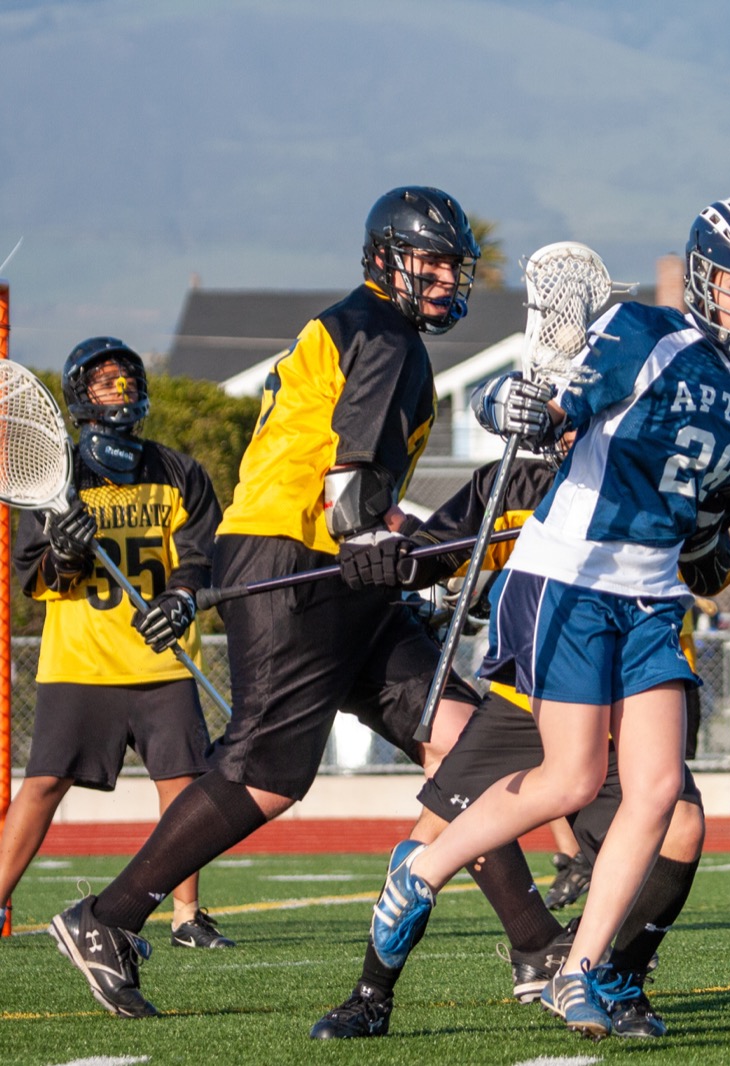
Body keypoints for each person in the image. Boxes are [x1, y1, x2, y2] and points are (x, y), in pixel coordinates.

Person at [361, 197, 730, 1040]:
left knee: (658, 792)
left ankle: (579, 974)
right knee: (574, 779)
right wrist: (510, 409)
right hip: (570, 577)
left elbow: (713, 498)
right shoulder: (641, 334)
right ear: (702, 278)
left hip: (654, 591)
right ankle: (423, 869)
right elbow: (545, 411)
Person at [47, 186, 485, 1018]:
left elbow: (352, 477)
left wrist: (386, 546)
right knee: (268, 772)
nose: (440, 279)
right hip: (303, 557)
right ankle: (107, 918)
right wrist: (376, 549)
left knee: (460, 734)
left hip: (318, 558)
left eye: (448, 265)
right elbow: (352, 479)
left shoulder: (356, 325)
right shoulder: (387, 335)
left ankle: (538, 949)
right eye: (427, 261)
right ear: (386, 258)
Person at [311, 450, 714, 1040]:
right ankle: (371, 994)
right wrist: (393, 556)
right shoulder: (516, 478)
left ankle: (616, 981)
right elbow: (438, 553)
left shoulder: (664, 468)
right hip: (531, 691)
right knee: (437, 830)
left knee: (679, 825)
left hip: (625, 698)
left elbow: (711, 572)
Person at [1, 338, 231, 949]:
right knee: (45, 782)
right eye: (106, 382)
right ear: (81, 397)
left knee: (184, 782)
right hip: (81, 662)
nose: (121, 390)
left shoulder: (179, 471)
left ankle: (186, 916)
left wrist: (181, 598)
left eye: (127, 379)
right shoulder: (58, 479)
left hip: (162, 657)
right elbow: (36, 578)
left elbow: (204, 555)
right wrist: (67, 552)